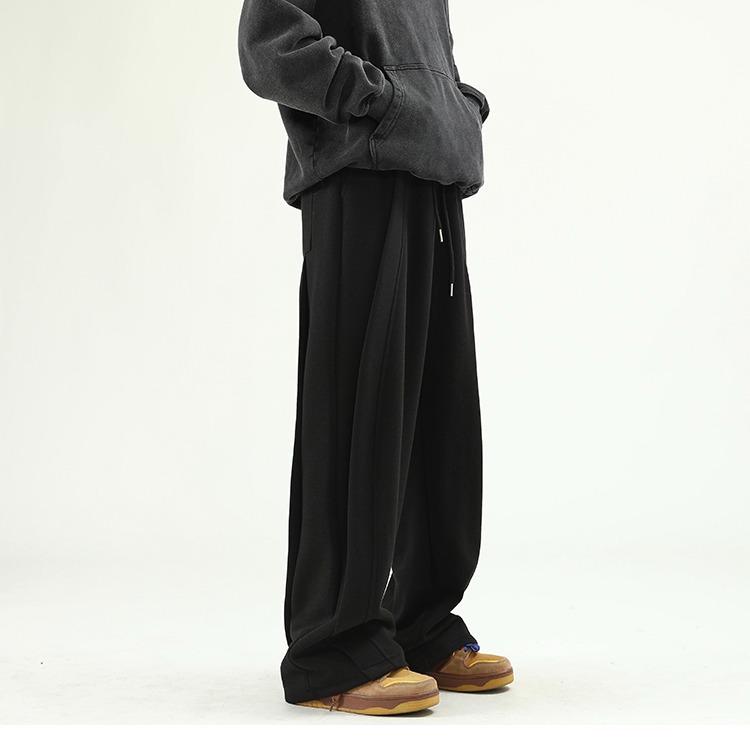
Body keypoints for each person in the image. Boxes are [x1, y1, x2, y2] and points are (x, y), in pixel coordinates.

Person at [238, 0, 514, 716]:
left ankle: (418, 624)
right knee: (357, 409)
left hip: (431, 174)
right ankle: (334, 650)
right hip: (358, 177)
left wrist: (455, 111)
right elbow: (270, 46)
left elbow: (427, 54)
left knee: (438, 416)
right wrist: (386, 104)